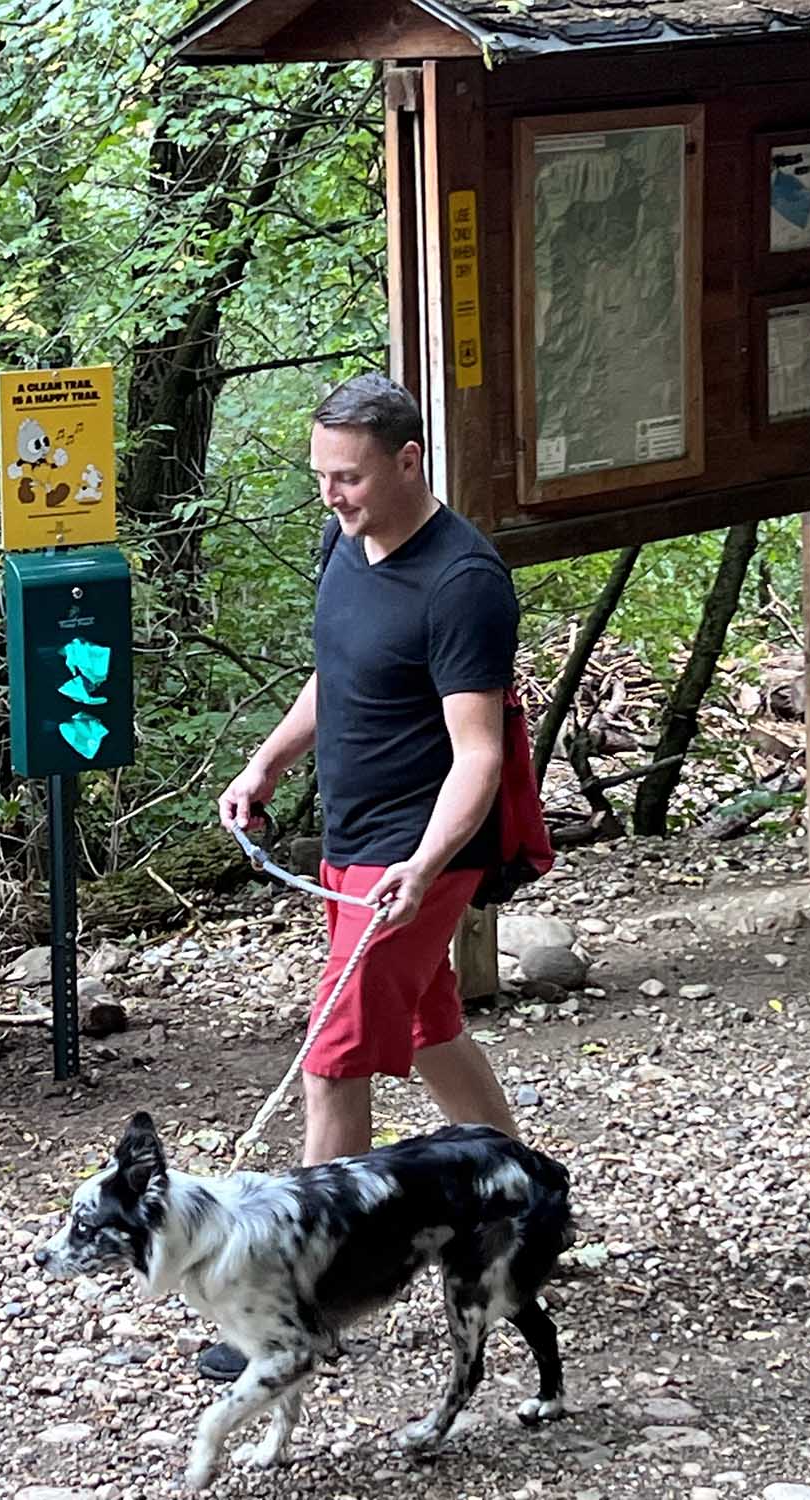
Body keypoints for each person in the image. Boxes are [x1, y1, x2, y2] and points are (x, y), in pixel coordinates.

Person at [203, 373, 521, 1381]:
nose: (330, 496)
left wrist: (425, 867)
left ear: (406, 462)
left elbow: (477, 752)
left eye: (346, 478)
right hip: (352, 843)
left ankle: (301, 1297)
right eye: (320, 478)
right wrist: (265, 763)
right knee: (427, 1029)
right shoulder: (348, 544)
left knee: (335, 1059)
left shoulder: (462, 581)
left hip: (415, 851)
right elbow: (336, 673)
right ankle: (517, 1196)